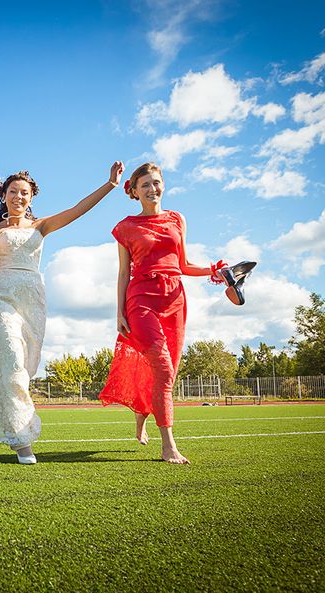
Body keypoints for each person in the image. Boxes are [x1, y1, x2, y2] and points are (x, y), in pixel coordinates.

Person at [0, 162, 124, 464]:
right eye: (12, 192)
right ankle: (23, 440)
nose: (18, 197)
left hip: (32, 298)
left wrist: (110, 185)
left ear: (31, 198)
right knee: (11, 358)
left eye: (24, 193)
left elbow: (78, 210)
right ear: (3, 197)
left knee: (22, 367)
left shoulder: (42, 226)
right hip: (0, 295)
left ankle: (12, 424)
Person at [99, 163, 227, 465]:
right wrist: (119, 311)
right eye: (145, 185)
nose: (152, 189)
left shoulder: (177, 219)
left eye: (156, 183)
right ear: (135, 190)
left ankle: (141, 417)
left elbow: (182, 264)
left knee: (162, 372)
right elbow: (122, 274)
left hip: (175, 301)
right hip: (141, 298)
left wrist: (213, 271)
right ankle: (168, 446)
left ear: (163, 185)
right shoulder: (126, 227)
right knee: (164, 369)